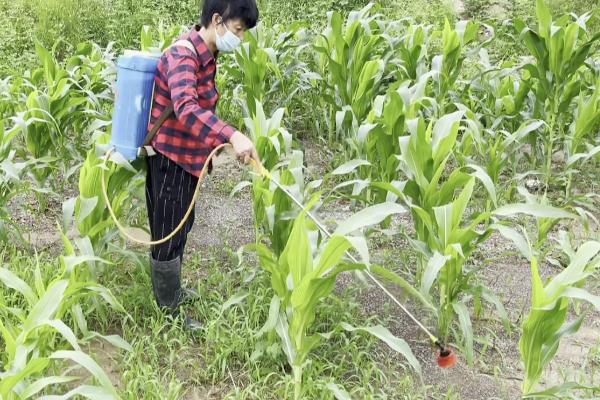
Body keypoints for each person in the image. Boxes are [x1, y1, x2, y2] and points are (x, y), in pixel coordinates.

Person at [145, 0, 260, 330]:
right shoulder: (184, 54)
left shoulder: (208, 55)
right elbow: (185, 108)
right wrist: (233, 134)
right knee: (168, 231)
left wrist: (222, 141)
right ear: (217, 20)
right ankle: (169, 311)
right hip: (171, 158)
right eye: (238, 30)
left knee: (182, 224)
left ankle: (173, 291)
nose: (239, 38)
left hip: (190, 159)